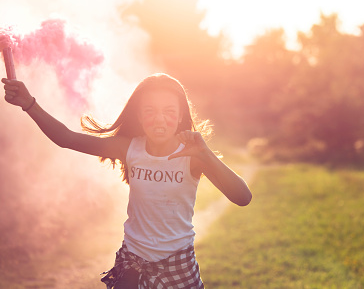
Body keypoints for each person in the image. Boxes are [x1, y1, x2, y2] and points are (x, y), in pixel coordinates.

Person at [1, 42, 252, 288]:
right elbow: (66, 138)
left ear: (180, 116)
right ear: (139, 116)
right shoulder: (129, 148)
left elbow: (243, 197)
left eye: (168, 111)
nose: (159, 119)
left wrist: (206, 154)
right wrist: (29, 104)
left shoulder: (193, 155)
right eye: (150, 111)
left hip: (178, 266)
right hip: (133, 262)